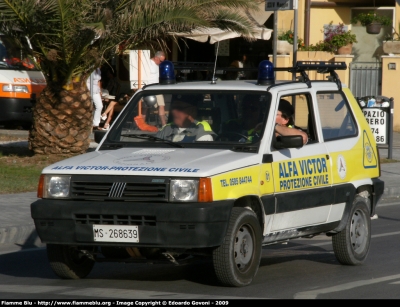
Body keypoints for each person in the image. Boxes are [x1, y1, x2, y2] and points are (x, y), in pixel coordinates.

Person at [148, 51, 166, 126]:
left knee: (161, 104)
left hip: (156, 87)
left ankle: (164, 124)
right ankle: (142, 124)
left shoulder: (158, 64)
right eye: (161, 61)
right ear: (156, 58)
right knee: (145, 106)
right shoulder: (148, 63)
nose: (161, 63)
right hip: (148, 87)